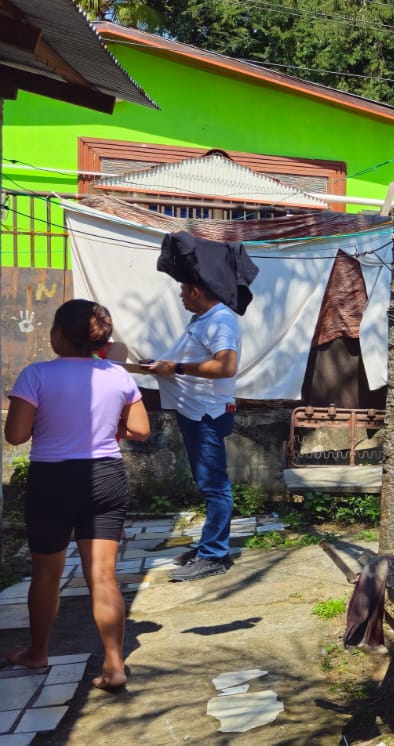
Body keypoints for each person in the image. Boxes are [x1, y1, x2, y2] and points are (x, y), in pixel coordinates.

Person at [5, 300, 149, 691]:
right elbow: (140, 430)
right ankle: (114, 666)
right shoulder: (117, 375)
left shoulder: (36, 375)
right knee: (103, 575)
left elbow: (15, 435)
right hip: (105, 476)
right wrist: (110, 426)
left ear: (59, 335)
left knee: (46, 574)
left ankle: (37, 652)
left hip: (52, 480)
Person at [149, 282, 240, 582]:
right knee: (207, 482)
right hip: (195, 412)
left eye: (183, 290)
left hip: (207, 413)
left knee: (215, 485)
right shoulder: (202, 320)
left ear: (197, 291)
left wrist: (176, 368)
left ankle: (214, 556)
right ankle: (208, 546)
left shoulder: (220, 320)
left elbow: (226, 367)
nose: (180, 295)